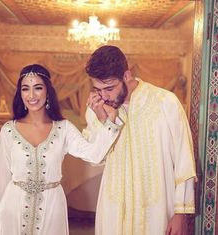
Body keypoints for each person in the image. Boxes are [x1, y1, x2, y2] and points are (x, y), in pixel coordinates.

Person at [0, 64, 121, 235]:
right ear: (20, 93)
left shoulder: (63, 129)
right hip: (12, 210)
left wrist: (107, 121)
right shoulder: (9, 130)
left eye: (38, 88)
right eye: (25, 89)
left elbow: (94, 155)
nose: (31, 95)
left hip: (51, 208)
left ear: (48, 91)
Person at [83, 45, 196, 235]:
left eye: (109, 88)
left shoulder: (165, 102)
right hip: (114, 211)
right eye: (98, 89)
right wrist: (103, 120)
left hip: (157, 210)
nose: (104, 96)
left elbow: (184, 158)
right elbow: (95, 159)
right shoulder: (96, 108)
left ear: (126, 76)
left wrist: (181, 212)